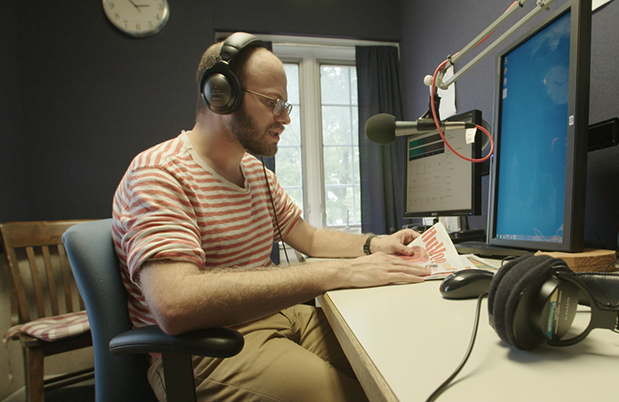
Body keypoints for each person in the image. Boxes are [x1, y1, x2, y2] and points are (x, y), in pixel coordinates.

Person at [112, 32, 430, 402]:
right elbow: (174, 305)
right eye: (273, 103)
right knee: (361, 396)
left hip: (278, 318)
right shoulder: (159, 174)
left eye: (286, 104)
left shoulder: (255, 172)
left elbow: (308, 238)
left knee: (396, 366)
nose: (285, 118)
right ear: (220, 95)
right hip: (203, 350)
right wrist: (338, 272)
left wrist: (375, 243)